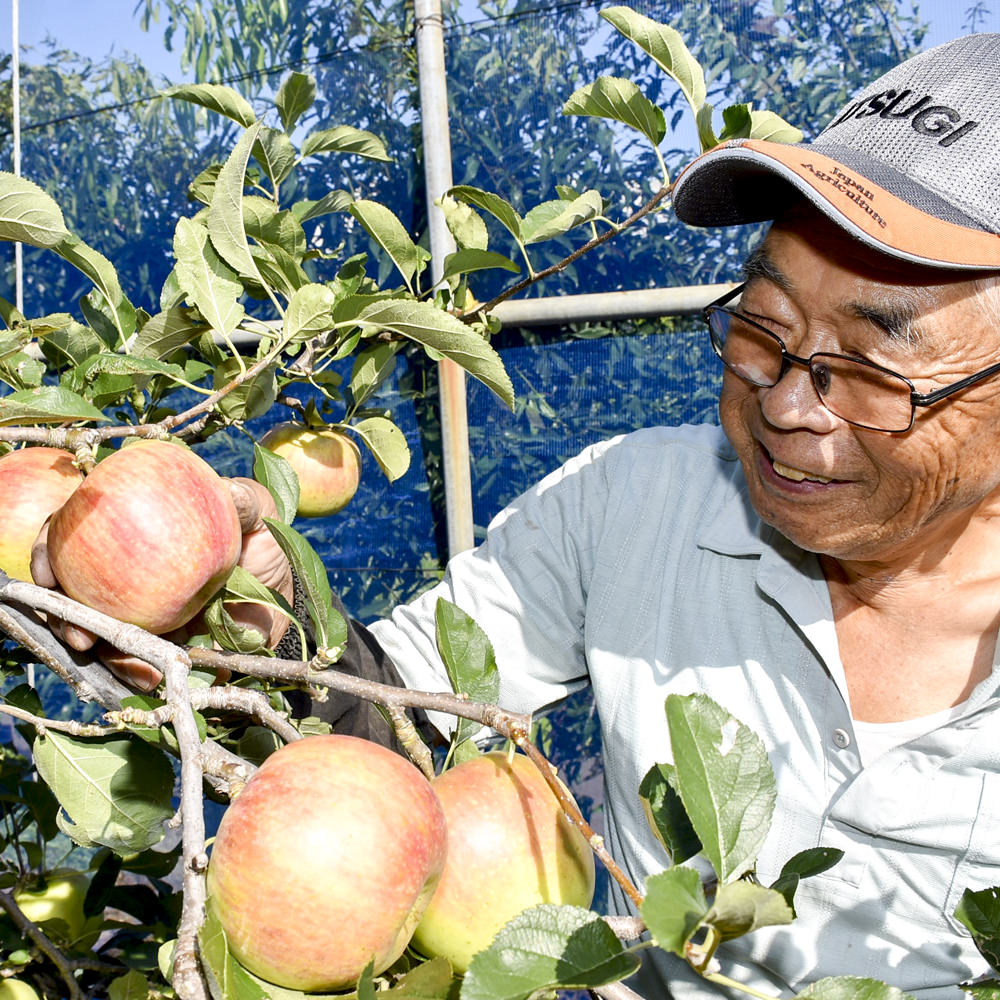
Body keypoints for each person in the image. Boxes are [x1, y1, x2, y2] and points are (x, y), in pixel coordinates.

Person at [35, 30, 1000, 1000]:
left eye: (872, 370)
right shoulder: (634, 501)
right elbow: (397, 706)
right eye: (761, 327)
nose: (786, 404)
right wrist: (262, 621)